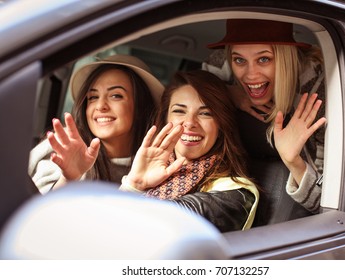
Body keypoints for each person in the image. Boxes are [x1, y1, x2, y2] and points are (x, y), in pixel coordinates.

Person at [205, 19, 327, 224]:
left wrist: (293, 161)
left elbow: (329, 208)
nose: (251, 75)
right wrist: (226, 92)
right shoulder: (221, 67)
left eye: (264, 59)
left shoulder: (319, 95)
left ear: (284, 58)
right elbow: (190, 95)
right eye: (239, 61)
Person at [119, 70, 259, 232]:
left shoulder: (236, 193)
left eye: (205, 113)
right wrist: (135, 184)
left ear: (221, 125)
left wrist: (132, 189)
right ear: (165, 118)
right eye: (179, 111)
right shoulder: (152, 173)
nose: (190, 123)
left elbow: (156, 222)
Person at [28, 54, 164, 193]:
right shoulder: (65, 149)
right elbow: (35, 209)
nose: (100, 106)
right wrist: (67, 179)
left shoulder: (157, 163)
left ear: (141, 106)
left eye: (115, 96)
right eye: (93, 97)